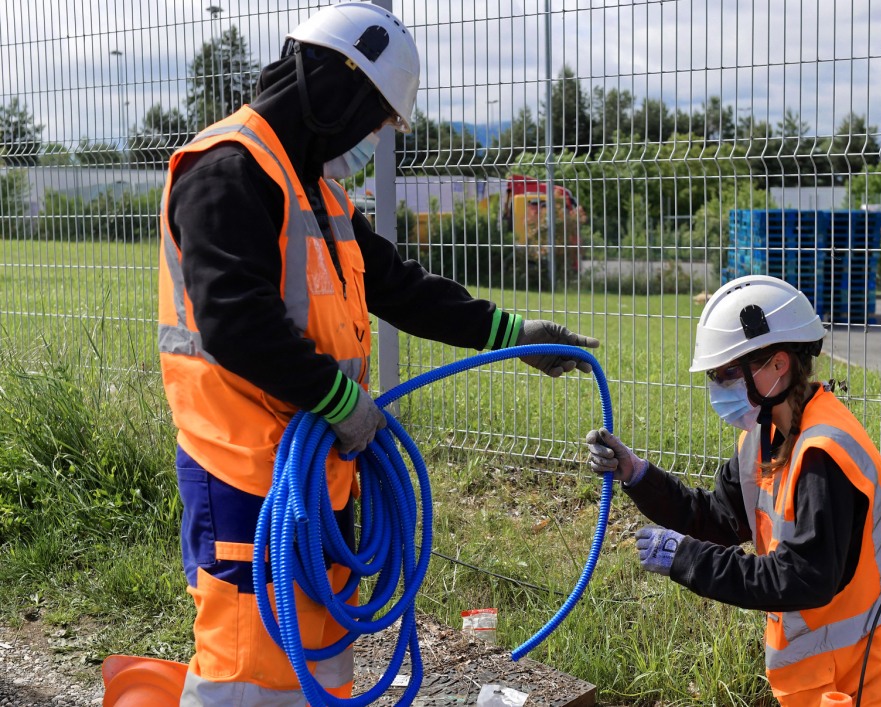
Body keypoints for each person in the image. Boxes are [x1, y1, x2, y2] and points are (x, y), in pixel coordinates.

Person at [157, 3, 599, 705]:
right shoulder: (228, 170)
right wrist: (337, 400)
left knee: (323, 659)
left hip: (318, 472)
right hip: (245, 473)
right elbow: (233, 320)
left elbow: (397, 286)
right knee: (252, 669)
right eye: (373, 117)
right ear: (335, 86)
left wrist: (511, 332)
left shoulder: (316, 190)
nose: (369, 137)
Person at [585, 275, 881, 706]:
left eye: (728, 373)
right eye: (714, 376)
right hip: (844, 681)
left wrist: (688, 559)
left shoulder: (825, 453)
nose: (719, 388)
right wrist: (637, 475)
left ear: (778, 365)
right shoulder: (763, 438)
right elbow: (718, 518)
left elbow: (801, 576)